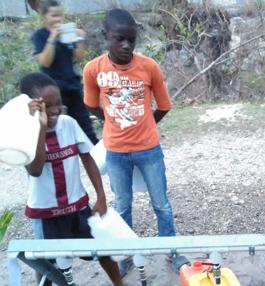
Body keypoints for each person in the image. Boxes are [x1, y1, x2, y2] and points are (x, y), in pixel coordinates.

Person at [83, 8, 176, 276]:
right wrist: (114, 121)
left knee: (161, 204)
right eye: (119, 38)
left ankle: (171, 250)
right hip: (115, 152)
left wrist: (145, 124)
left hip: (149, 149)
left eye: (131, 40)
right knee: (122, 205)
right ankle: (126, 255)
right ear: (105, 36)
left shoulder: (149, 66)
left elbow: (164, 105)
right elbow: (91, 105)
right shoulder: (94, 69)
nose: (126, 45)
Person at [20, 72, 122, 286]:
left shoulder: (68, 123)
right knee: (48, 265)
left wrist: (101, 197)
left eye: (58, 103)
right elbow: (35, 169)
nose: (55, 110)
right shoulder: (26, 133)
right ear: (32, 106)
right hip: (46, 214)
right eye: (47, 106)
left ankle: (120, 284)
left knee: (103, 249)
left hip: (77, 207)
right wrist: (39, 127)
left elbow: (88, 159)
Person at [32, 0, 98, 144]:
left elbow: (79, 57)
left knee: (86, 127)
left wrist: (80, 38)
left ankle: (97, 160)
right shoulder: (39, 35)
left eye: (60, 16)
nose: (58, 20)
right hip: (52, 91)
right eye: (53, 16)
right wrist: (52, 38)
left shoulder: (67, 33)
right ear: (44, 17)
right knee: (55, 129)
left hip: (72, 86)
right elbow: (45, 61)